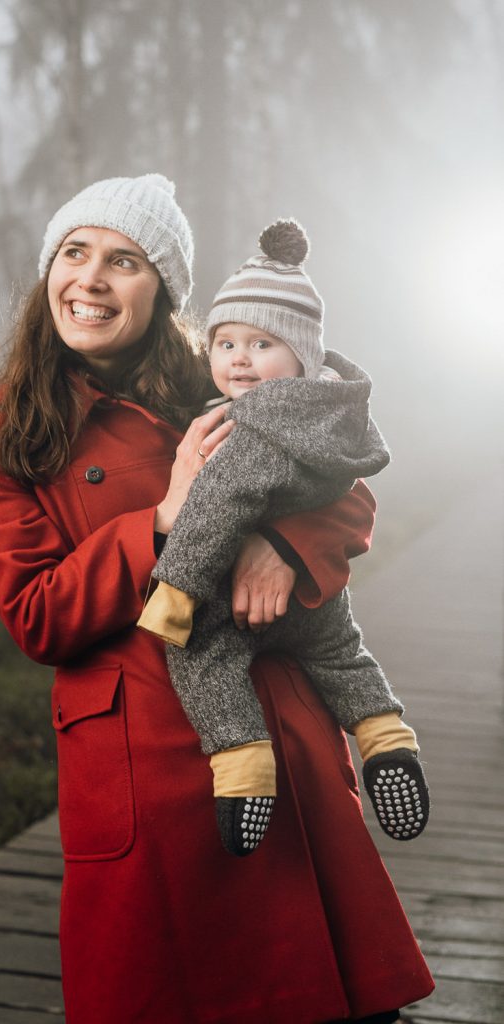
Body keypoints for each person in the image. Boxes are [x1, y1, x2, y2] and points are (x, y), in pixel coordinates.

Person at [0, 173, 434, 1024]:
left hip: (276, 721)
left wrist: (282, 547)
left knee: (328, 998)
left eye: (124, 261)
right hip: (139, 760)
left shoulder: (224, 371)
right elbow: (35, 615)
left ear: (163, 289)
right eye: (74, 253)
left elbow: (345, 485)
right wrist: (160, 521)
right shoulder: (1, 428)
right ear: (48, 271)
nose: (91, 279)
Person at [137, 219, 429, 857]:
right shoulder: (331, 415)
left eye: (261, 343)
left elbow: (219, 504)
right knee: (342, 656)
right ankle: (385, 735)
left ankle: (243, 768)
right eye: (226, 343)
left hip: (231, 601)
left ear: (302, 355)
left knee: (202, 658)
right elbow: (347, 489)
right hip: (317, 600)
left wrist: (175, 591)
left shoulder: (255, 423)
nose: (239, 358)